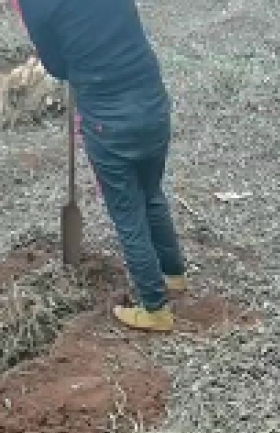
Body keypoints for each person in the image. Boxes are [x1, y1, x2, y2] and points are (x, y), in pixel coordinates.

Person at [15, 0, 186, 332]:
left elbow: (56, 66)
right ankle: (173, 274)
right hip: (152, 101)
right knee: (151, 193)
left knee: (127, 212)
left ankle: (154, 307)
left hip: (109, 118)